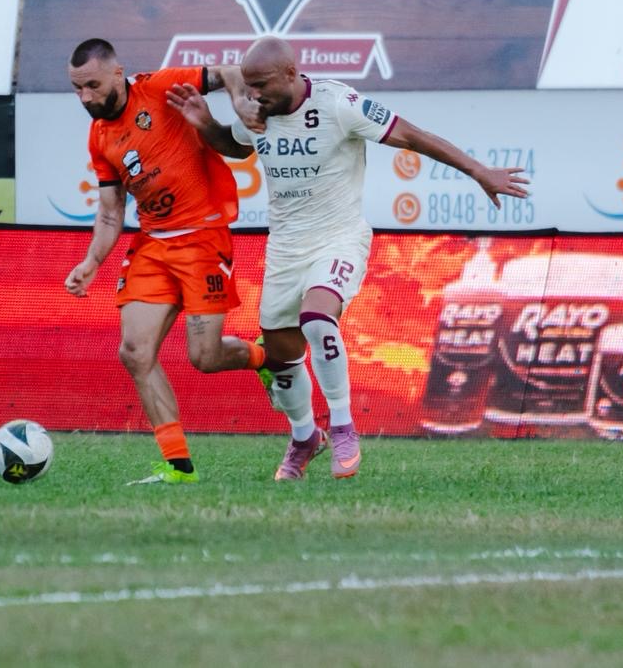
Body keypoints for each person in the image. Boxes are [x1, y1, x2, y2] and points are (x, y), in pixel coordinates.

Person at [168, 37, 529, 480]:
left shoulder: (339, 104)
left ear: (290, 74)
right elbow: (238, 145)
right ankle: (305, 438)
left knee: (318, 319)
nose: (253, 94)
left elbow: (412, 136)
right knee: (281, 356)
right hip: (285, 249)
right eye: (249, 85)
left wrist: (479, 171)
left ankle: (343, 427)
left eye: (261, 85)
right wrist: (206, 124)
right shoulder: (259, 111)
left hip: (338, 239)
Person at [63, 38, 267, 485]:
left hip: (202, 238)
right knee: (134, 353)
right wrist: (91, 262)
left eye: (92, 86)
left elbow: (230, 71)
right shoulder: (99, 137)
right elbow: (110, 213)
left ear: (118, 73)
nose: (85, 98)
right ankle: (178, 465)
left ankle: (263, 357)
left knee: (205, 357)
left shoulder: (159, 87)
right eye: (77, 89)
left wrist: (239, 103)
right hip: (153, 245)